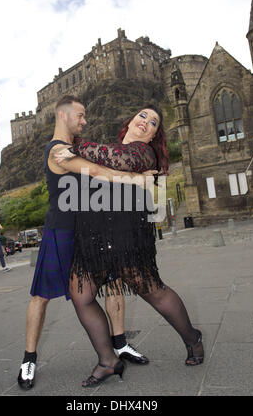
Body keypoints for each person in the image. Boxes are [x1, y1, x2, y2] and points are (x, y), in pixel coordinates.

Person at [56, 104, 204, 387]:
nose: (146, 122)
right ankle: (108, 360)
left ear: (152, 137)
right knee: (81, 294)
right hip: (93, 236)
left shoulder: (141, 154)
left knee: (153, 291)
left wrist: (71, 145)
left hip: (127, 236)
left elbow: (109, 158)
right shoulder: (113, 151)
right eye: (142, 116)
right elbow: (89, 166)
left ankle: (193, 339)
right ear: (131, 121)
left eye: (153, 123)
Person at [17, 96, 152, 390]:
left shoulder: (76, 147)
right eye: (80, 115)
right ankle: (28, 359)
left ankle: (119, 345)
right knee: (41, 296)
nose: (85, 121)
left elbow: (105, 168)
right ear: (63, 116)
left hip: (90, 232)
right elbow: (99, 172)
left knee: (113, 282)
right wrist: (136, 179)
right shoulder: (57, 152)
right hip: (61, 232)